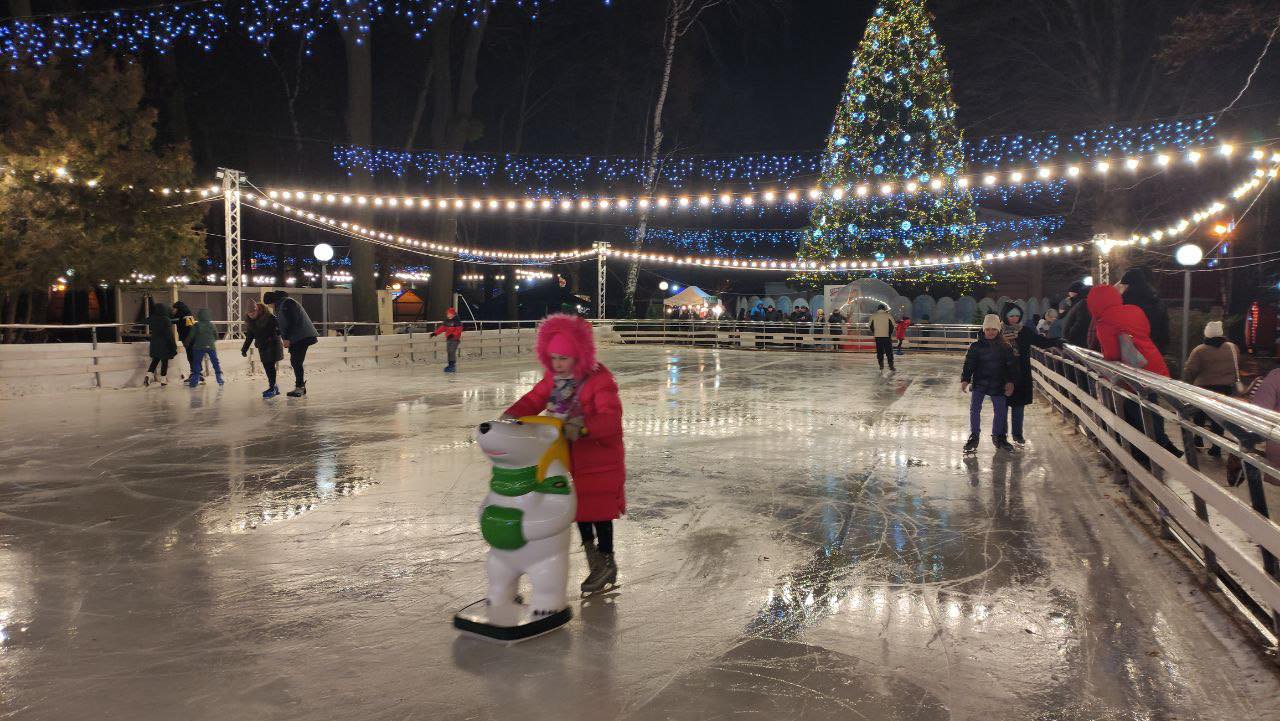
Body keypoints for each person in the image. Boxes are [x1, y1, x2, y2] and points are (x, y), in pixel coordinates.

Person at [502, 314, 625, 596]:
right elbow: (534, 399)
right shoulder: (554, 380)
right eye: (554, 358)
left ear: (579, 357)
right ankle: (595, 560)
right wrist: (513, 415)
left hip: (598, 458)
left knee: (599, 512)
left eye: (564, 359)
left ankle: (606, 559)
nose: (557, 364)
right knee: (578, 511)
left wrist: (582, 427)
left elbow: (611, 420)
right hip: (567, 458)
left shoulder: (599, 380)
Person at [1087, 284, 1182, 462]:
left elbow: (1112, 354)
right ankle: (1163, 443)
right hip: (1153, 365)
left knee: (1135, 411)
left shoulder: (1104, 323)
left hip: (1133, 374)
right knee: (1153, 407)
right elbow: (1146, 330)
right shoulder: (1135, 310)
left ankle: (1154, 449)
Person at [999, 302, 1064, 444]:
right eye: (1011, 316)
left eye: (1017, 315)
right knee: (1001, 408)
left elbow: (1040, 341)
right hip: (1002, 375)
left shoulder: (1025, 331)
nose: (1014, 318)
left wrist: (1057, 341)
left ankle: (1017, 435)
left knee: (1018, 407)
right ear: (1005, 316)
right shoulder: (997, 332)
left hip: (1021, 375)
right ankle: (1001, 436)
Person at [1181, 320, 1240, 457]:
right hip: (1225, 388)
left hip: (1204, 389)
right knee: (1218, 419)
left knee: (1199, 415)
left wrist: (1187, 381)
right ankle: (1216, 447)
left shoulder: (1200, 350)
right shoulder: (1232, 347)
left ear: (1206, 334)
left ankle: (1198, 440)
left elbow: (1191, 370)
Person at [961, 314, 1018, 453]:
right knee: (975, 409)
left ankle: (998, 436)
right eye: (988, 329)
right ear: (983, 329)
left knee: (1000, 411)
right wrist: (965, 379)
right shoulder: (976, 347)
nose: (990, 332)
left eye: (993, 329)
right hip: (980, 382)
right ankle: (974, 436)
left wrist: (1010, 382)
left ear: (998, 330)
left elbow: (1011, 366)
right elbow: (969, 364)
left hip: (998, 383)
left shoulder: (1005, 347)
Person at [264, 290, 318, 397]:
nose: (269, 306)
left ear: (272, 301)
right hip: (297, 338)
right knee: (295, 362)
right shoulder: (280, 306)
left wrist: (287, 338)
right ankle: (299, 387)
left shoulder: (288, 303)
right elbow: (283, 324)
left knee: (296, 362)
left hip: (302, 336)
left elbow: (293, 321)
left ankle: (300, 387)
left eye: (269, 304)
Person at [1117, 267, 1171, 354]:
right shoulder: (1156, 300)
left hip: (1131, 350)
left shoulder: (1124, 301)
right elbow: (1164, 327)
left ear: (1128, 285)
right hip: (1153, 347)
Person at [241, 301, 283, 398]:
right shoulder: (251, 322)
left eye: (253, 313)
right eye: (249, 314)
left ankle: (272, 387)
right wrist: (244, 349)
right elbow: (250, 336)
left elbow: (279, 326)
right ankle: (274, 387)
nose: (251, 315)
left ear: (257, 310)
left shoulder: (268, 317)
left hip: (272, 344)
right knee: (267, 366)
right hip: (262, 346)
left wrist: (279, 334)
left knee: (270, 366)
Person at [185, 308, 224, 387]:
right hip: (211, 347)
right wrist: (211, 341)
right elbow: (216, 336)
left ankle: (194, 381)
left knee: (197, 363)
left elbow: (191, 336)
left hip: (198, 347)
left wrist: (187, 343)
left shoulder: (196, 325)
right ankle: (219, 378)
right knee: (215, 362)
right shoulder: (212, 325)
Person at [145, 300, 177, 387]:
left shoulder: (152, 318)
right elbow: (169, 335)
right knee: (164, 361)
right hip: (165, 344)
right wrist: (173, 346)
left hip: (155, 343)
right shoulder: (166, 320)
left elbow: (144, 321)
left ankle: (148, 375)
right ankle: (163, 380)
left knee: (155, 360)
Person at [432, 307, 464, 372]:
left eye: (449, 313)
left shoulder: (457, 321)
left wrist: (453, 335)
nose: (447, 314)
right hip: (448, 339)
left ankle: (452, 366)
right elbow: (442, 328)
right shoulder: (447, 321)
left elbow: (459, 329)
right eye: (447, 313)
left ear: (452, 314)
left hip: (455, 339)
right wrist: (435, 333)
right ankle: (450, 365)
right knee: (449, 351)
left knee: (452, 351)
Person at [171, 300, 196, 378]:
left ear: (178, 309)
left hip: (189, 340)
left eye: (174, 309)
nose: (173, 310)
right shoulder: (180, 316)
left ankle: (196, 374)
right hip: (187, 339)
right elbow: (172, 320)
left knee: (191, 356)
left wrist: (188, 340)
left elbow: (192, 329)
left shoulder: (186, 316)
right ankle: (195, 373)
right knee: (191, 356)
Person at [869, 304, 895, 371]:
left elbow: (870, 326)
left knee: (879, 351)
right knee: (889, 351)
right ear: (884, 309)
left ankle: (881, 364)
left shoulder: (873, 316)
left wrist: (875, 332)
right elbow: (893, 325)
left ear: (878, 309)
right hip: (887, 336)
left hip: (878, 336)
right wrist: (889, 333)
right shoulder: (888, 315)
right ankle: (891, 365)